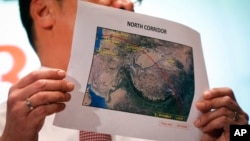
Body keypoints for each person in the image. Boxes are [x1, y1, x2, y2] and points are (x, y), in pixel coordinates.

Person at [0, 0, 248, 141]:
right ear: (44, 10)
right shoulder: (5, 125)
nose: (126, 3)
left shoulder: (191, 122)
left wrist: (240, 134)